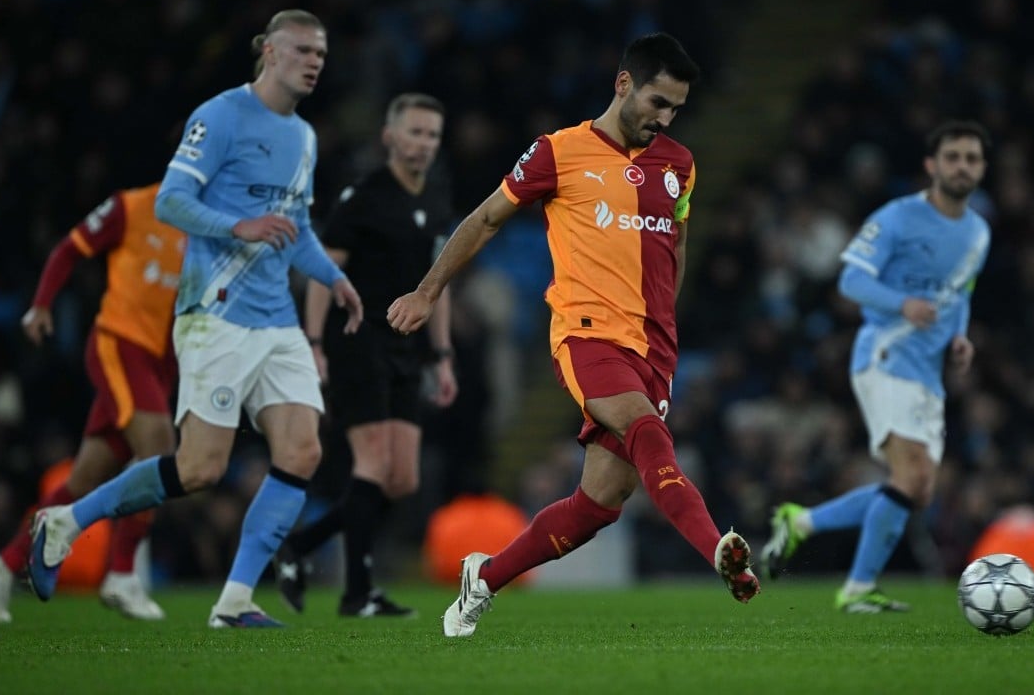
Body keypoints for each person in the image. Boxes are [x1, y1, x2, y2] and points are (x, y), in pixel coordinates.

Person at [387, 32, 762, 638]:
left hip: (655, 346)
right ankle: (719, 549)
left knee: (598, 506)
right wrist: (427, 292)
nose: (664, 119)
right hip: (586, 334)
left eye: (676, 109)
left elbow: (677, 248)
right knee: (647, 431)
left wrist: (666, 324)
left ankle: (481, 581)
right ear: (623, 85)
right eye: (658, 103)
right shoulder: (557, 153)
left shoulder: (680, 166)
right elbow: (485, 220)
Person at [28, 9, 363, 628]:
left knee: (303, 450)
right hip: (217, 313)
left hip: (277, 320)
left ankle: (234, 601)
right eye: (302, 50)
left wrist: (334, 278)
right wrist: (236, 225)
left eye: (321, 53)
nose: (315, 61)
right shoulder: (220, 116)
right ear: (267, 51)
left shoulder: (305, 138)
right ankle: (65, 521)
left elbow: (298, 228)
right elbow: (170, 200)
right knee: (199, 469)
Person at [761, 120, 993, 613]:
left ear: (982, 168)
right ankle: (858, 588)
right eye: (952, 157)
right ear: (932, 165)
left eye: (971, 158)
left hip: (928, 372)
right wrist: (901, 303)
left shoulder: (978, 233)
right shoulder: (897, 218)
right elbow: (850, 282)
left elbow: (961, 293)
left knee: (918, 489)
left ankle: (800, 523)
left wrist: (960, 336)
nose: (962, 166)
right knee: (909, 479)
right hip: (885, 355)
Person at [273, 92, 458, 617]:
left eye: (432, 135)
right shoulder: (364, 197)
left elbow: (436, 286)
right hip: (357, 340)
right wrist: (313, 345)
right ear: (390, 137)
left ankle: (301, 546)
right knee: (373, 464)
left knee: (401, 480)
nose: (423, 144)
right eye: (415, 132)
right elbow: (321, 276)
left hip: (407, 349)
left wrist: (442, 356)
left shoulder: (436, 201)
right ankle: (358, 593)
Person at [0, 182, 182, 623]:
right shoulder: (131, 207)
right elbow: (70, 248)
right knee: (160, 450)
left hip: (162, 364)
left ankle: (1, 567)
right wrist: (42, 305)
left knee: (85, 480)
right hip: (120, 346)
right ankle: (122, 575)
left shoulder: (211, 225)